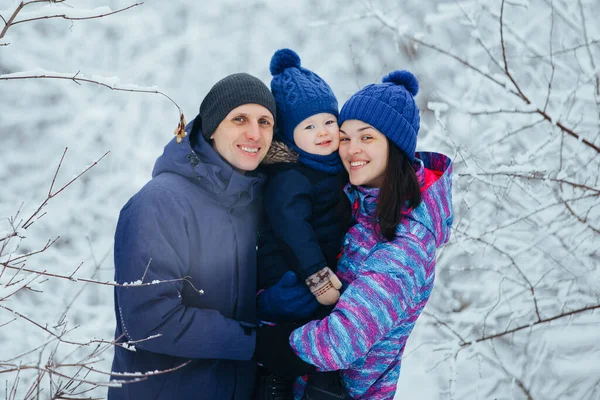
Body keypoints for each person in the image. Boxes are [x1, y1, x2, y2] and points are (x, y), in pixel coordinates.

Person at [255, 70, 454, 399]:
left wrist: (261, 342)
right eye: (345, 137)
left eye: (367, 137)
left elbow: (343, 340)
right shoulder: (357, 203)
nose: (351, 149)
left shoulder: (409, 242)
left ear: (396, 146)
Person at [109, 73, 277, 400]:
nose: (254, 133)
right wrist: (256, 343)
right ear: (212, 127)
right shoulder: (161, 203)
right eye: (239, 119)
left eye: (265, 122)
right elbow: (151, 322)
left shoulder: (254, 203)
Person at [254, 49, 349, 399]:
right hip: (291, 270)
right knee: (296, 326)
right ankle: (274, 381)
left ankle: (320, 383)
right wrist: (317, 276)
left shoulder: (330, 164)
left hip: (317, 264)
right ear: (290, 134)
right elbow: (292, 227)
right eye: (309, 126)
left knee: (323, 332)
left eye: (328, 121)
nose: (322, 132)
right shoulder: (290, 175)